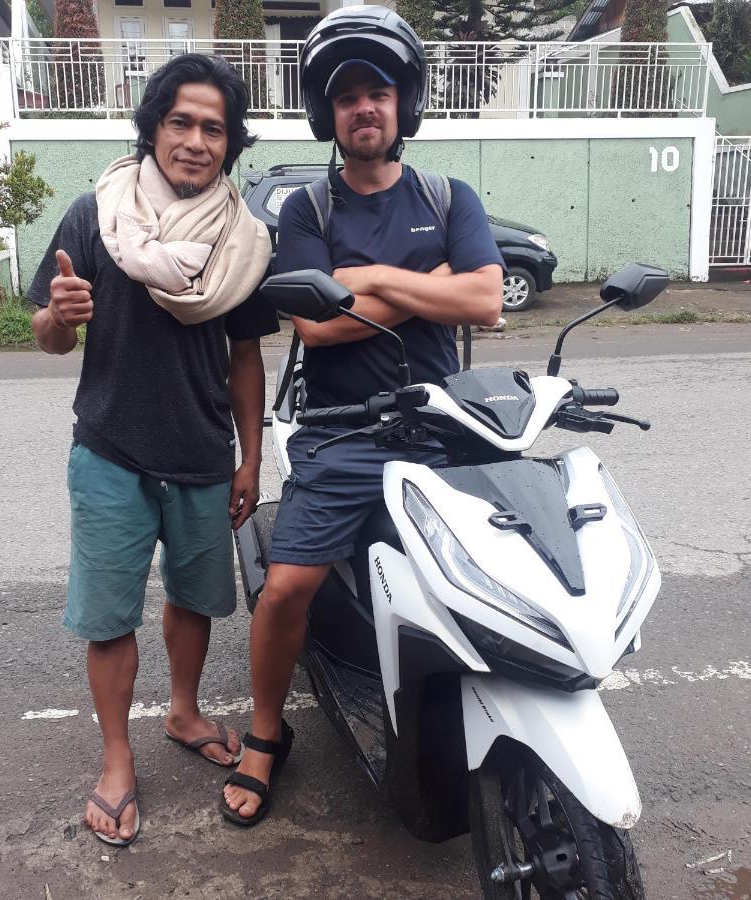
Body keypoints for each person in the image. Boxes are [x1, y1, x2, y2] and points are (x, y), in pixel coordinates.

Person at [221, 5, 505, 826]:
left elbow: (485, 301)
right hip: (344, 430)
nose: (364, 109)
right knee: (286, 589)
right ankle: (268, 735)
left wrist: (373, 275)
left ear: (403, 103)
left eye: (377, 92)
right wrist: (430, 282)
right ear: (328, 114)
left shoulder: (450, 193)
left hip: (448, 427)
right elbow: (317, 323)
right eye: (346, 98)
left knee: (502, 571)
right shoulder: (308, 211)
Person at [28, 53, 277, 846]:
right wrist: (62, 316)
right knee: (108, 619)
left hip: (203, 456)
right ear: (153, 127)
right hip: (110, 452)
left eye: (214, 128)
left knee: (194, 602)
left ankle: (184, 710)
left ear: (230, 143)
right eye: (181, 122)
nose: (196, 141)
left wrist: (249, 457)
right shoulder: (96, 214)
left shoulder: (243, 240)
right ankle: (115, 759)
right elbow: (48, 340)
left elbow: (246, 356)